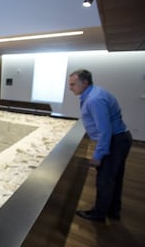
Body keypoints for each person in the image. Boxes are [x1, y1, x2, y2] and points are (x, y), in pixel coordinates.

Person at [68, 69, 132, 222]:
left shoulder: (94, 99)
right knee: (114, 177)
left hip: (114, 141)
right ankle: (113, 210)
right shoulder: (94, 94)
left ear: (85, 83)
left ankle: (99, 214)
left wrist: (98, 155)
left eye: (73, 84)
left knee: (104, 179)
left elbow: (105, 130)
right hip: (120, 138)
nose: (70, 88)